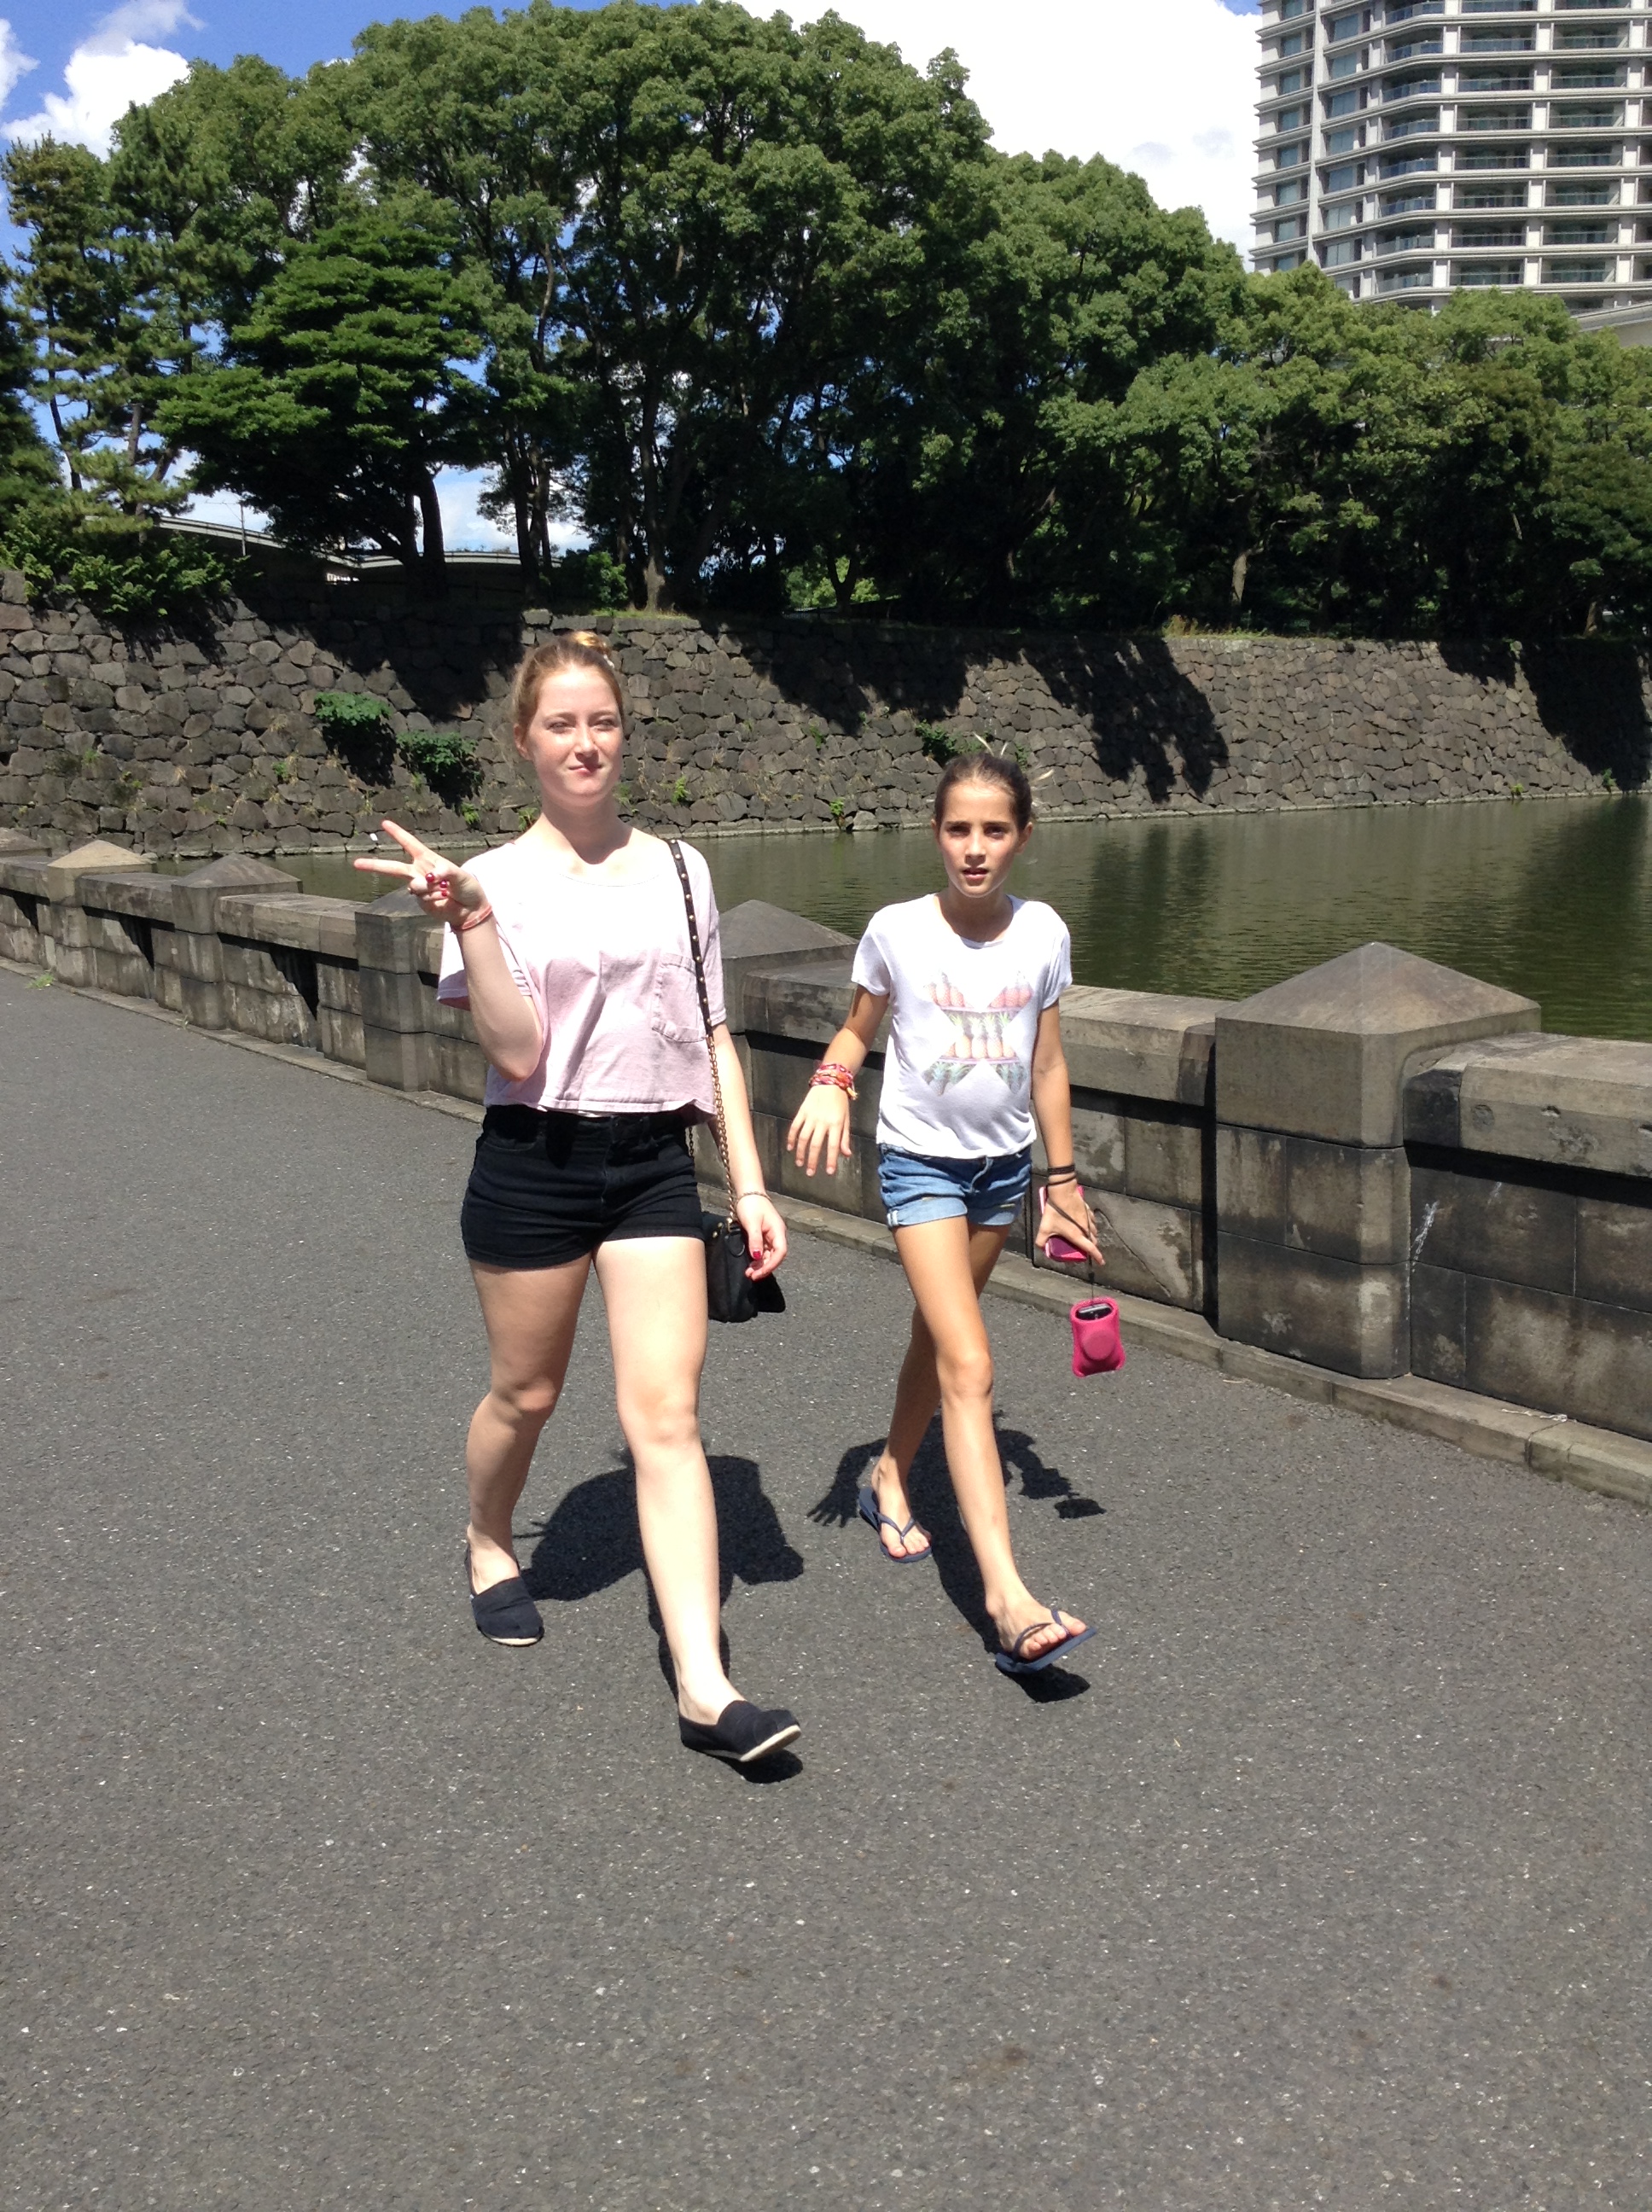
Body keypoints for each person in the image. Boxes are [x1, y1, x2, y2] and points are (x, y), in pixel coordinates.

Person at [355, 632, 799, 1766]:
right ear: (524, 740)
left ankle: (705, 1686)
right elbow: (515, 1051)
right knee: (527, 1393)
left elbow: (712, 1036)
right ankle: (488, 1537)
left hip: (653, 1164)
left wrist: (748, 1183)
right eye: (561, 723)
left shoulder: (683, 870)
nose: (584, 742)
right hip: (535, 1161)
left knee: (668, 1419)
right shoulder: (490, 880)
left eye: (601, 721)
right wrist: (470, 921)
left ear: (624, 734)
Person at [786, 753, 1106, 1676]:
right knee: (970, 1362)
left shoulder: (1043, 932)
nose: (975, 848)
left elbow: (1047, 1063)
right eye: (959, 829)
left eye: (994, 830)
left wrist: (1061, 1179)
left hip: (1000, 1174)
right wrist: (831, 1082)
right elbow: (858, 1027)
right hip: (918, 1165)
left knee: (938, 1336)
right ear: (936, 833)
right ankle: (1007, 1601)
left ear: (1023, 837)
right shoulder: (896, 930)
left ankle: (889, 1472)